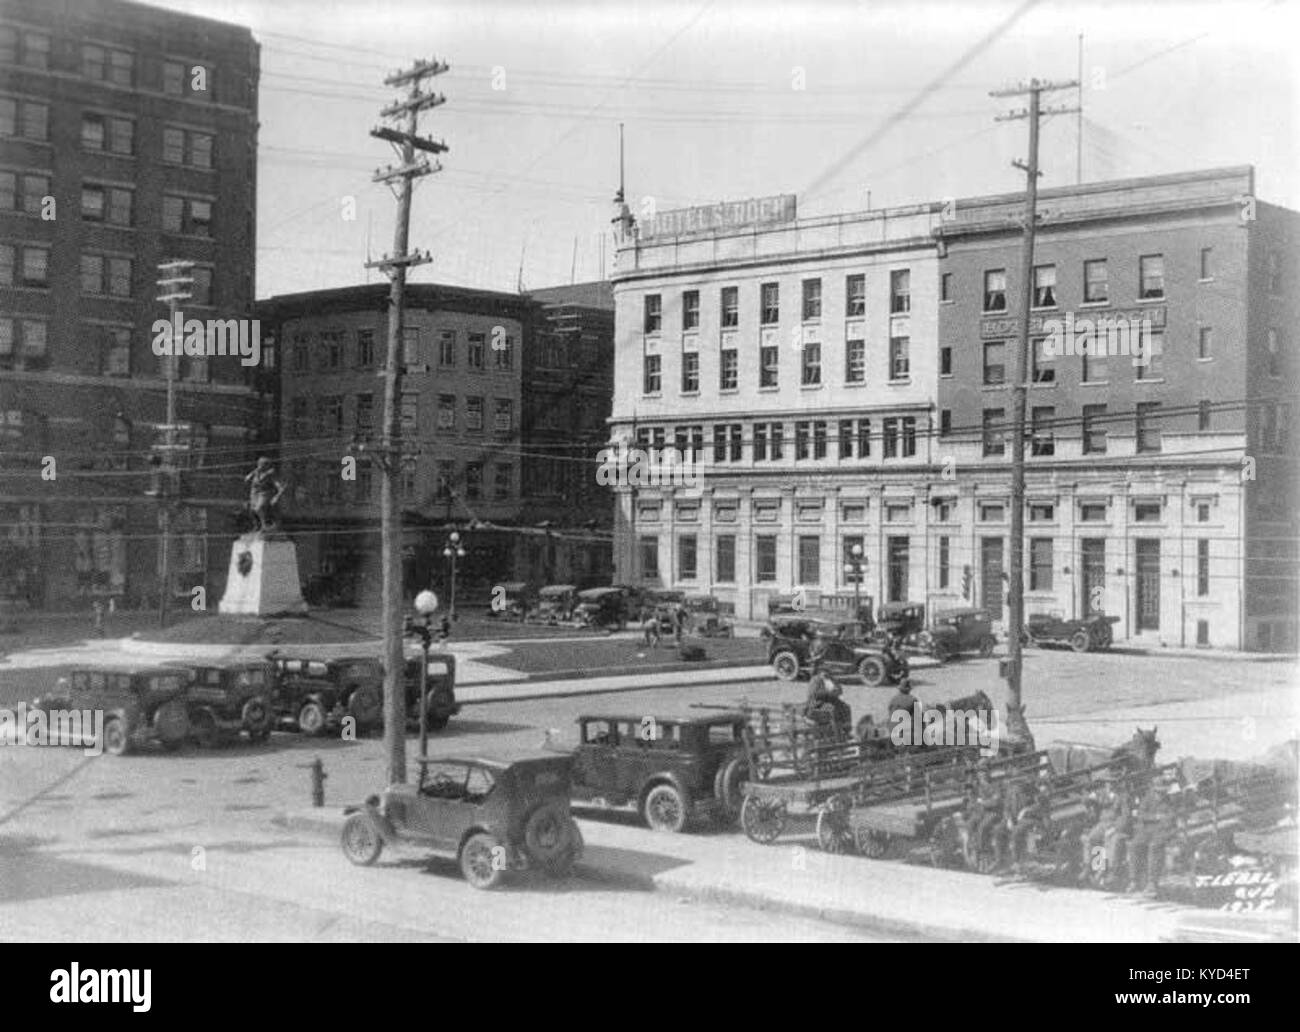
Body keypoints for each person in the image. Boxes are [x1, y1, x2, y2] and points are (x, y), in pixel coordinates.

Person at [1127, 772, 1182, 895]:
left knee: (1154, 847)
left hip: (1163, 831)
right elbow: (1141, 815)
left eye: (1162, 792)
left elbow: (1170, 818)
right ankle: (1133, 880)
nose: (1160, 794)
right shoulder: (1148, 798)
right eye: (1158, 791)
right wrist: (1155, 817)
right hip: (1147, 830)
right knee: (1134, 845)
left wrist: (1154, 820)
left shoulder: (1169, 801)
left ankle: (1152, 883)